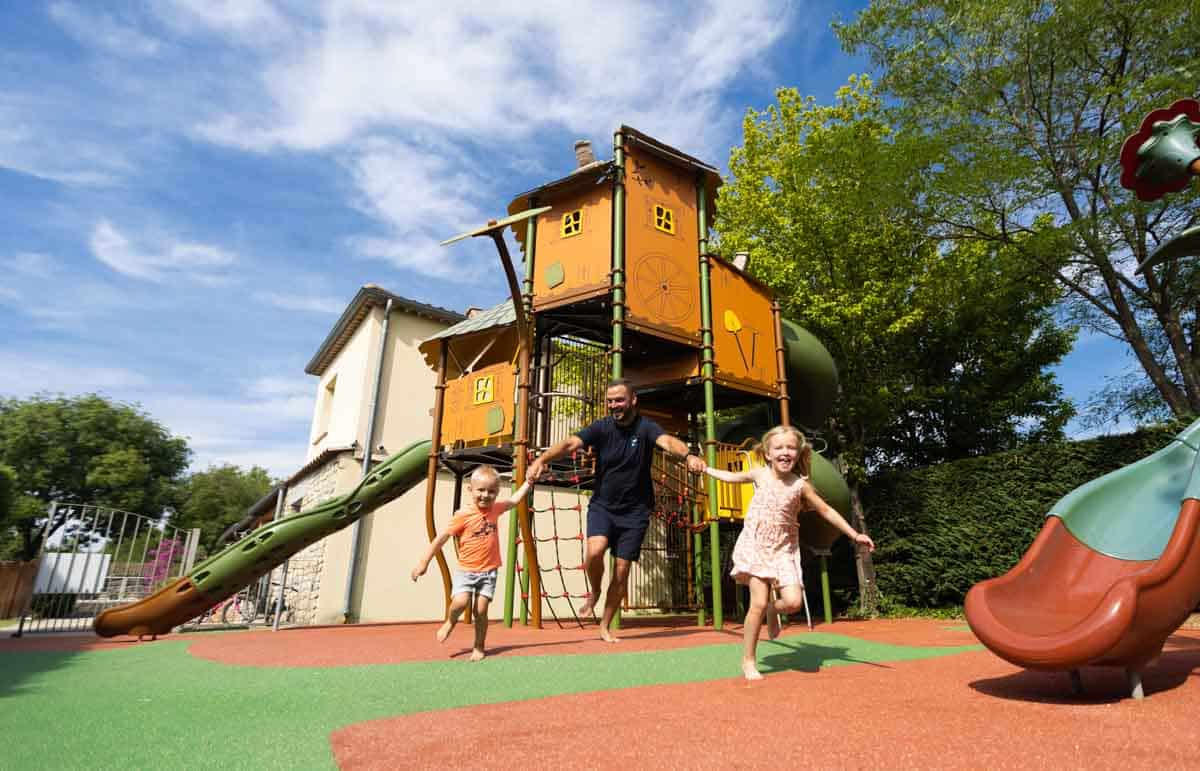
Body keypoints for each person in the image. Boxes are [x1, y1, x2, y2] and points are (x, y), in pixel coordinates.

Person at [526, 378, 707, 642]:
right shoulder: (601, 427)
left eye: (619, 400)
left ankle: (605, 626)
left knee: (622, 572)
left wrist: (689, 455)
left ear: (633, 400)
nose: (614, 405)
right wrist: (542, 460)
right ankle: (596, 590)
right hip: (603, 505)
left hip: (636, 512)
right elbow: (569, 444)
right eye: (610, 401)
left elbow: (668, 442)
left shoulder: (645, 428)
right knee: (595, 551)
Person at [702, 424, 875, 680]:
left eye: (791, 447)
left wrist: (854, 534)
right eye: (779, 447)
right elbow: (730, 477)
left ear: (799, 453)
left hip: (784, 549)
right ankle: (748, 660)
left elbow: (826, 511)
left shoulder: (800, 485)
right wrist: (706, 468)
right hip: (757, 544)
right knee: (756, 603)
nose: (785, 452)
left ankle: (774, 609)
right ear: (768, 453)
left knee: (793, 602)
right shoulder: (760, 474)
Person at [411, 464, 531, 662]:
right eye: (481, 490)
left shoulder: (496, 508)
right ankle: (450, 621)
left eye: (491, 491)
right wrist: (423, 563)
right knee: (460, 602)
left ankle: (479, 646)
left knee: (481, 610)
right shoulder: (463, 515)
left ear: (497, 492)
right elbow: (441, 538)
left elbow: (514, 500)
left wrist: (529, 482)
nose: (485, 495)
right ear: (470, 490)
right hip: (467, 571)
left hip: (489, 571)